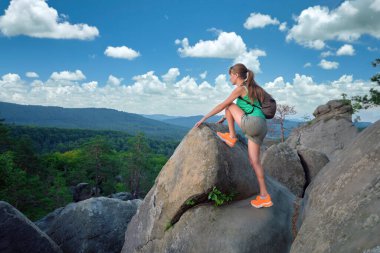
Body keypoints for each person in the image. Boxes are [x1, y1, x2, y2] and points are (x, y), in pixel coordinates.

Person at [194, 63, 272, 208]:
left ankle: (232, 137)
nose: (229, 78)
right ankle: (264, 196)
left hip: (252, 123)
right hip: (261, 125)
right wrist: (226, 117)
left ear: (236, 75)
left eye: (230, 75)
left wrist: (204, 118)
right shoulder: (252, 88)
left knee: (228, 106)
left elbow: (223, 105)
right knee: (255, 162)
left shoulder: (240, 88)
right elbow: (249, 107)